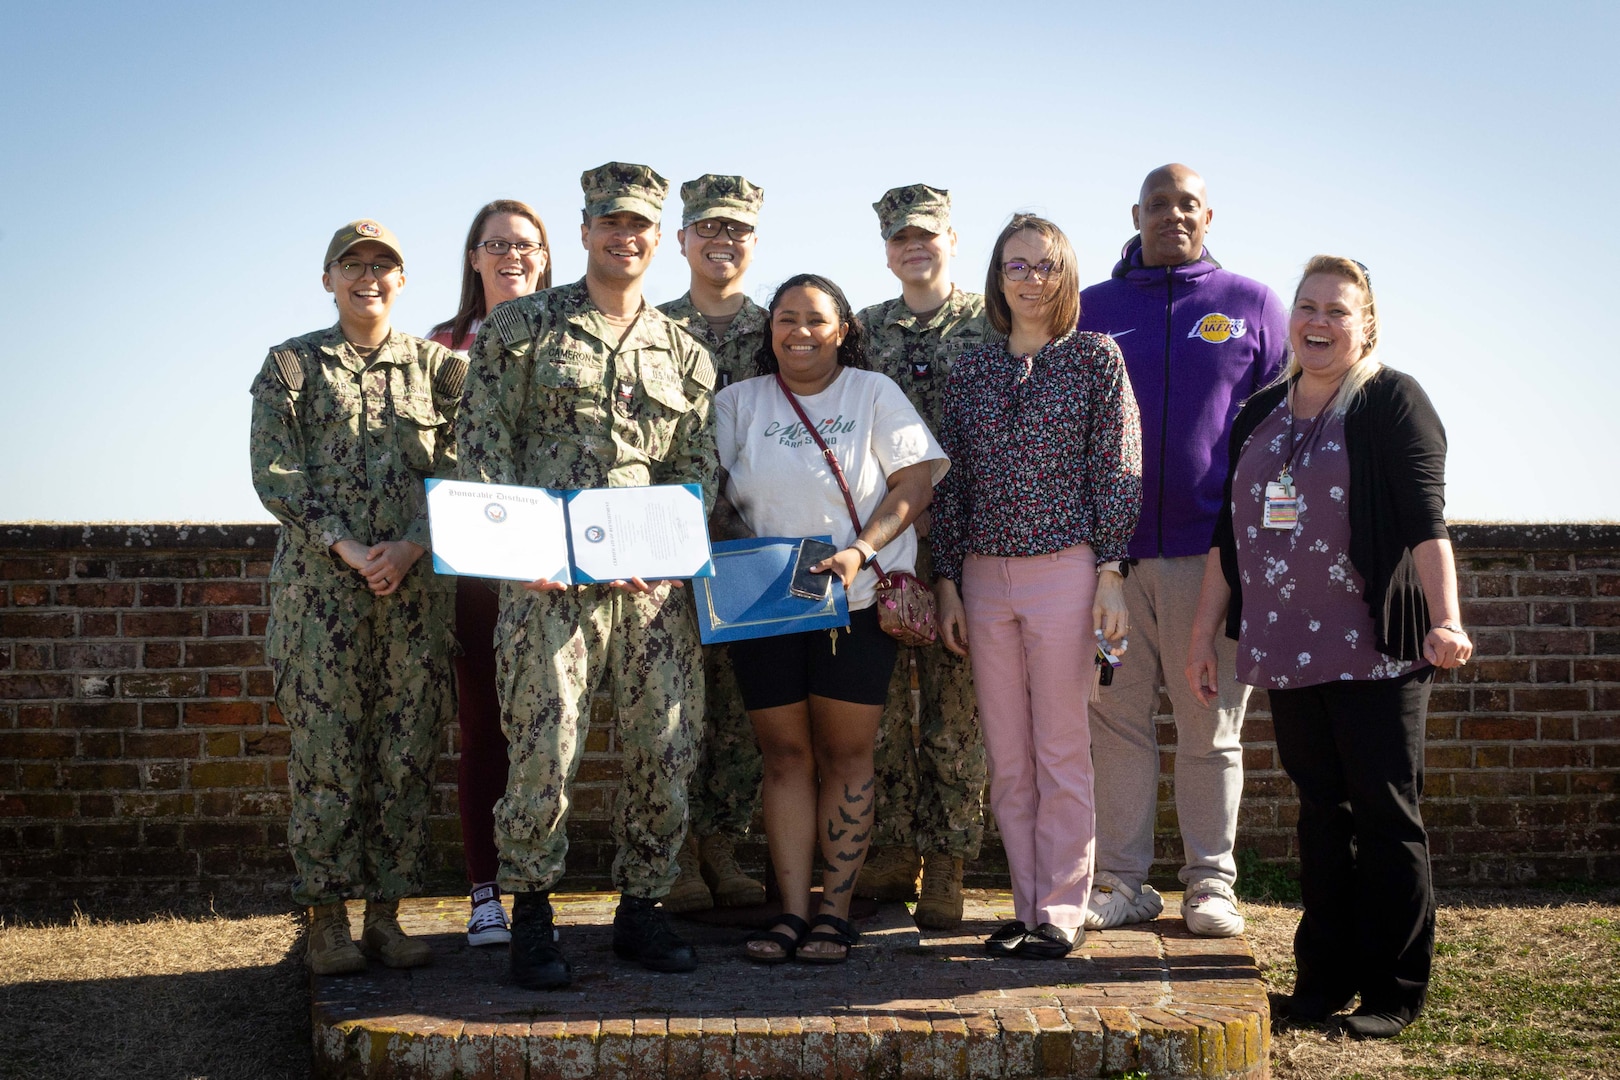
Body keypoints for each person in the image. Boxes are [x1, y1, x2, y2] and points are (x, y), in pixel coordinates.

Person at [1185, 255, 1471, 1037]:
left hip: (1377, 648)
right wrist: (1202, 636)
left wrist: (1446, 620)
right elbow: (1227, 540)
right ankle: (1319, 987)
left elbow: (1424, 523)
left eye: (1336, 310)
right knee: (1320, 817)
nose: (1317, 320)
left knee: (1385, 816)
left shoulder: (1389, 401)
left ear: (1366, 323)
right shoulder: (1261, 412)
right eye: (1307, 305)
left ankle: (1391, 994)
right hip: (1288, 649)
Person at [456, 163, 716, 989]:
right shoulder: (520, 332)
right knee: (543, 748)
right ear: (584, 230)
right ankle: (532, 912)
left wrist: (668, 553)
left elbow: (696, 470)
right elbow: (484, 449)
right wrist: (517, 552)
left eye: (640, 223)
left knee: (664, 748)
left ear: (657, 235)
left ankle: (644, 906)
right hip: (546, 588)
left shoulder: (684, 350)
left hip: (649, 593)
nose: (625, 236)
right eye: (610, 221)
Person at [1079, 164, 1288, 937]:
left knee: (1211, 730)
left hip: (1213, 565)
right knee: (1117, 727)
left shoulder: (1252, 304)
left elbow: (1279, 434)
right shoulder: (1091, 309)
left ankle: (1211, 885)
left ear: (1209, 214)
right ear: (1136, 213)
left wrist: (1251, 553)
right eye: (1158, 203)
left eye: (1187, 204)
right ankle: (1123, 881)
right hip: (1111, 565)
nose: (1173, 214)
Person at [249, 219, 462, 975]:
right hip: (320, 597)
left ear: (403, 281)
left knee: (406, 755)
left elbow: (467, 472)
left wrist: (408, 545)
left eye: (383, 266)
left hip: (414, 595)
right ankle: (328, 920)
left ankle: (387, 917)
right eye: (353, 265)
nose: (368, 277)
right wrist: (346, 546)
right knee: (326, 756)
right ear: (328, 278)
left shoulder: (441, 371)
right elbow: (277, 476)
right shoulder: (291, 368)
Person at [716, 273, 947, 964]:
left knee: (847, 757)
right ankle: (790, 913)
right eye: (786, 319)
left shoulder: (873, 394)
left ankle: (835, 915)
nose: (800, 332)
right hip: (766, 603)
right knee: (784, 758)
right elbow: (715, 498)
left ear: (842, 327)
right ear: (770, 330)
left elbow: (914, 484)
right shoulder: (738, 404)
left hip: (857, 601)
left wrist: (860, 550)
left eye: (816, 319)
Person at [932, 214, 1141, 959]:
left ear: (1066, 276)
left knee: (1060, 748)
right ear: (997, 277)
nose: (1030, 279)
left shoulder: (1094, 360)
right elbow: (949, 487)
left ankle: (1061, 910)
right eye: (1015, 266)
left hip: (1067, 572)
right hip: (985, 580)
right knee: (1008, 756)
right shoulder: (972, 370)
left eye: (1044, 266)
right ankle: (1025, 907)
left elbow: (1116, 471)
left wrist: (1111, 572)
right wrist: (949, 582)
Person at [853, 184, 994, 928]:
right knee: (877, 710)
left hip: (967, 546)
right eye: (901, 238)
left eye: (927, 235)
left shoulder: (993, 322)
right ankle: (892, 850)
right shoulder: (863, 330)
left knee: (952, 715)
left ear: (951, 239)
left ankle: (948, 860)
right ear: (886, 250)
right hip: (884, 544)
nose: (915, 247)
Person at [427, 199, 552, 948]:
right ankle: (484, 893)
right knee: (484, 730)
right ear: (473, 257)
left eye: (526, 245)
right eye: (495, 244)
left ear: (546, 255)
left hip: (560, 571)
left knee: (553, 731)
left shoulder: (573, 335)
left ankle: (540, 891)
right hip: (477, 572)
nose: (512, 255)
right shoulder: (440, 350)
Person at [658, 174, 770, 913]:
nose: (722, 242)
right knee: (670, 706)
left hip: (756, 543)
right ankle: (674, 856)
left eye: (737, 231)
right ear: (683, 239)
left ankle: (723, 845)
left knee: (740, 707)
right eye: (709, 229)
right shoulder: (652, 326)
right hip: (667, 541)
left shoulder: (784, 324)